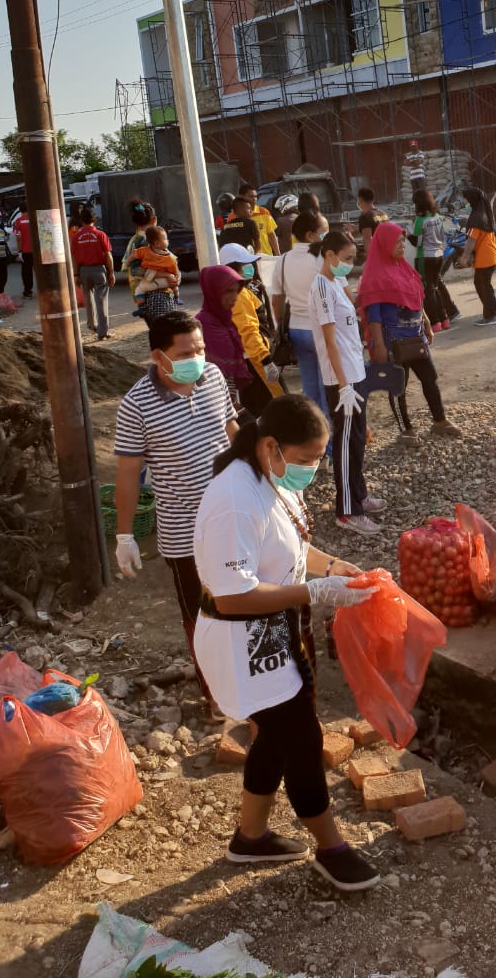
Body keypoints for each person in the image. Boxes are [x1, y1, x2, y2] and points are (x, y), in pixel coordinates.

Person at [193, 394, 381, 889]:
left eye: (319, 459)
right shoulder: (232, 501)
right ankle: (331, 847)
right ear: (271, 446)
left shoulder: (271, 477)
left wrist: (331, 567)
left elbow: (292, 542)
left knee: (276, 734)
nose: (312, 470)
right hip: (246, 639)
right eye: (305, 460)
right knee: (302, 739)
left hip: (278, 630)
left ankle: (249, 838)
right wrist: (317, 591)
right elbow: (234, 598)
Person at [114, 310, 239, 704]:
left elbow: (231, 428)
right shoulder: (136, 406)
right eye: (186, 353)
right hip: (185, 532)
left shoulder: (215, 378)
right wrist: (124, 535)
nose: (197, 360)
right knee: (202, 617)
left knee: (241, 600)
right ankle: (215, 696)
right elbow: (128, 474)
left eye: (200, 349)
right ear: (158, 357)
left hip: (233, 517)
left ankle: (247, 681)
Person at [309, 231, 386, 535]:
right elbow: (329, 341)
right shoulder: (321, 287)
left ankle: (359, 495)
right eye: (347, 259)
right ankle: (346, 511)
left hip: (356, 373)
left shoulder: (336, 283)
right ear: (329, 255)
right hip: (341, 380)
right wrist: (343, 385)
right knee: (343, 444)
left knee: (356, 440)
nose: (351, 265)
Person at [360, 221, 462, 444]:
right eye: (397, 242)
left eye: (402, 242)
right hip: (393, 342)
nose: (401, 246)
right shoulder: (374, 274)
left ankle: (439, 420)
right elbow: (373, 314)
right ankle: (405, 429)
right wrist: (378, 344)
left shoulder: (403, 268)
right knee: (398, 386)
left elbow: (416, 298)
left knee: (430, 378)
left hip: (416, 338)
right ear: (385, 243)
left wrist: (426, 322)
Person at [272, 211, 331, 427]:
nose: (328, 235)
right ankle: (331, 445)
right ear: (310, 235)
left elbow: (277, 301)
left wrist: (281, 327)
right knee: (328, 389)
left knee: (310, 389)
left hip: (297, 331)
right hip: (322, 330)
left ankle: (314, 437)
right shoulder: (323, 257)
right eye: (325, 231)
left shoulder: (284, 259)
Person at [219, 243, 283, 415]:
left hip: (249, 359)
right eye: (245, 264)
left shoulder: (237, 289)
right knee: (277, 407)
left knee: (259, 410)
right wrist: (266, 361)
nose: (250, 267)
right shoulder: (237, 294)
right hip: (254, 361)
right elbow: (248, 331)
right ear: (233, 268)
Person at [197, 264, 253, 404]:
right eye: (228, 291)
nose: (234, 297)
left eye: (236, 291)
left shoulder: (226, 320)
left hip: (229, 397)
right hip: (212, 399)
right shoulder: (201, 325)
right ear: (213, 290)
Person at [409, 189, 457, 332]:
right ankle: (445, 319)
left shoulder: (419, 220)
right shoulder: (437, 216)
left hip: (425, 257)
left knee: (427, 290)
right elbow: (443, 235)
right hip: (439, 255)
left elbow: (417, 243)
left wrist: (407, 235)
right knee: (435, 287)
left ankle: (435, 322)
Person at [459, 185, 496, 325]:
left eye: (465, 199)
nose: (464, 201)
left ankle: (489, 316)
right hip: (491, 253)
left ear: (471, 200)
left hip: (485, 257)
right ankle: (495, 310)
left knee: (482, 285)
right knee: (485, 284)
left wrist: (465, 257)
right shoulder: (483, 213)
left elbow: (471, 240)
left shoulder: (476, 218)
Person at [72, 208, 115, 341]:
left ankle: (92, 324)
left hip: (83, 271)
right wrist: (111, 273)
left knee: (88, 298)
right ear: (94, 219)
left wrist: (76, 274)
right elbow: (108, 255)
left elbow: (74, 258)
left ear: (81, 220)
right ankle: (102, 332)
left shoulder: (76, 237)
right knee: (101, 300)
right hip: (99, 270)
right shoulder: (100, 234)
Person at [130, 225, 180, 305]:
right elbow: (175, 272)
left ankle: (141, 307)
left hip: (148, 283)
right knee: (174, 288)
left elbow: (133, 259)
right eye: (166, 239)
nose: (168, 240)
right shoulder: (170, 257)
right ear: (157, 243)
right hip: (165, 282)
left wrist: (127, 262)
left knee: (139, 290)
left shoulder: (143, 249)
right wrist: (172, 276)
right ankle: (177, 299)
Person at [234, 182, 280, 256]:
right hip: (246, 259)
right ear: (241, 197)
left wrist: (278, 255)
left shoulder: (264, 212)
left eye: (255, 196)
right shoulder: (233, 216)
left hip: (266, 258)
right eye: (250, 196)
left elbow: (272, 235)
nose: (254, 199)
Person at [356, 187, 388, 254]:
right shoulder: (383, 213)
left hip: (376, 253)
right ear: (373, 199)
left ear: (360, 200)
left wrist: (370, 258)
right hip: (386, 249)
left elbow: (367, 239)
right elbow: (379, 227)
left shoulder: (364, 217)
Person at [14, 207, 33, 298]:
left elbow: (18, 237)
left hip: (25, 251)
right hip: (37, 250)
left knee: (26, 272)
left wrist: (19, 251)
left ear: (20, 210)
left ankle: (28, 292)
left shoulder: (18, 221)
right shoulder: (34, 218)